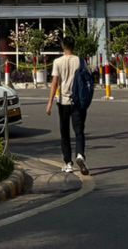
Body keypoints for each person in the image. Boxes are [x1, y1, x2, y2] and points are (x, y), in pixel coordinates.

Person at [44, 32, 93, 176]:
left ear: (63, 46)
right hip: (77, 101)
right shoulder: (80, 61)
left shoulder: (57, 62)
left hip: (63, 101)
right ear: (74, 46)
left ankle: (68, 163)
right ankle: (80, 154)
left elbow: (54, 83)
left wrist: (49, 103)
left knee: (64, 132)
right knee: (79, 131)